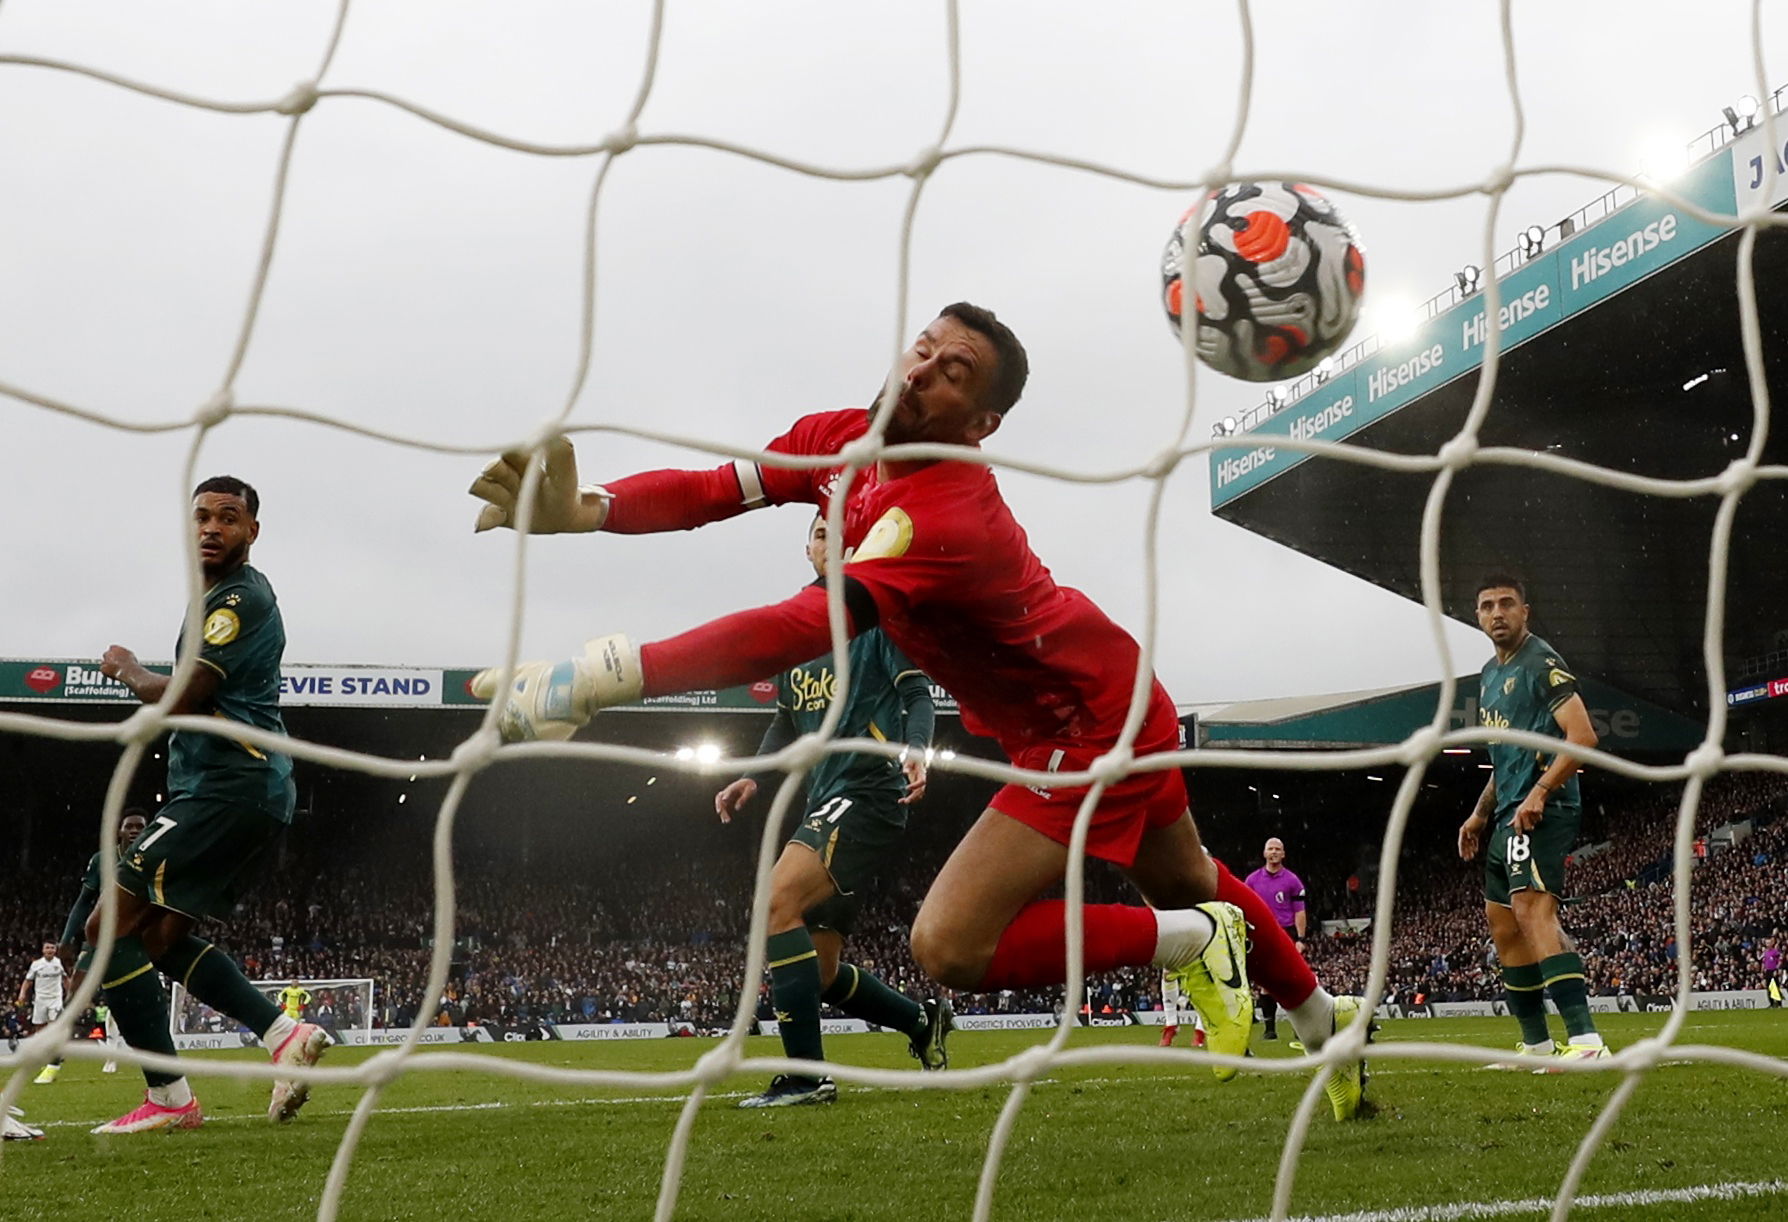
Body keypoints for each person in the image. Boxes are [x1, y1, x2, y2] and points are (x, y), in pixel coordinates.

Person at [469, 302, 1370, 1118]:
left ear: (982, 424)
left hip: (1085, 729)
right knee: (1194, 881)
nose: (923, 370)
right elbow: (712, 491)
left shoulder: (944, 514)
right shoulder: (841, 441)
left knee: (948, 948)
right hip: (1106, 696)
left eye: (954, 372)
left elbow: (796, 626)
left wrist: (601, 675)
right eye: (925, 348)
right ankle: (1331, 1028)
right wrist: (590, 510)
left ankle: (1188, 946)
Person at [86, 476, 330, 1134]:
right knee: (161, 938)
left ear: (253, 531)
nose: (212, 527)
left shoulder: (237, 599)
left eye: (229, 517)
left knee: (104, 930)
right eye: (202, 517)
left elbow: (183, 695)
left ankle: (170, 1101)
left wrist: (128, 669)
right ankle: (284, 1035)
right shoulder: (219, 598)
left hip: (229, 784)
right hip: (246, 788)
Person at [714, 514, 953, 1107]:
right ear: (807, 547)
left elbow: (916, 693)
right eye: (821, 532)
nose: (831, 541)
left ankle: (805, 1076)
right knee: (817, 974)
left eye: (843, 532)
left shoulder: (877, 620)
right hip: (828, 800)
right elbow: (785, 721)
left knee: (774, 902)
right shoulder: (795, 637)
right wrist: (753, 775)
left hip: (869, 792)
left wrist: (915, 751)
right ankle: (922, 1021)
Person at [1457, 575, 1607, 1066]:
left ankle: (1586, 1042)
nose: (1496, 613)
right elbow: (1505, 760)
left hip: (1543, 810)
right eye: (1486, 606)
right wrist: (1479, 816)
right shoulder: (1488, 675)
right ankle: (1538, 1045)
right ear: (1477, 617)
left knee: (1532, 912)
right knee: (1502, 925)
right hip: (1506, 814)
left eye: (1506, 604)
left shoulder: (1542, 663)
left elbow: (1582, 737)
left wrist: (1542, 791)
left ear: (1526, 611)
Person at [48, 806, 150, 1083]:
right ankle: (54, 1062)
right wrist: (68, 937)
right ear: (119, 831)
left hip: (136, 940)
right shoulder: (102, 860)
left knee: (138, 1004)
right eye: (130, 826)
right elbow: (83, 902)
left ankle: (156, 1071)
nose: (135, 831)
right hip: (100, 939)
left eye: (140, 826)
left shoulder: (153, 859)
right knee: (74, 996)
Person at [1243, 838, 1307, 1040]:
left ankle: (1299, 1028)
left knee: (1292, 979)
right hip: (1261, 932)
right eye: (1270, 849)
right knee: (1266, 982)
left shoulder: (1292, 881)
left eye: (1277, 849)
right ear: (1264, 853)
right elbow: (1244, 909)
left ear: (1283, 854)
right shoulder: (1252, 880)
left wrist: (1300, 938)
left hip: (1285, 932)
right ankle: (1270, 1029)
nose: (1273, 852)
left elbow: (1300, 911)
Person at [16, 941, 66, 1084]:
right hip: (40, 1000)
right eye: (47, 948)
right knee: (40, 1028)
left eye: (52, 948)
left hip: (55, 1000)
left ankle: (54, 1055)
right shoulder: (36, 964)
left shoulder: (59, 963)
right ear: (43, 950)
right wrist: (22, 994)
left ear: (55, 950)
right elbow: (27, 981)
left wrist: (70, 993)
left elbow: (66, 979)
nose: (50, 950)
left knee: (54, 1027)